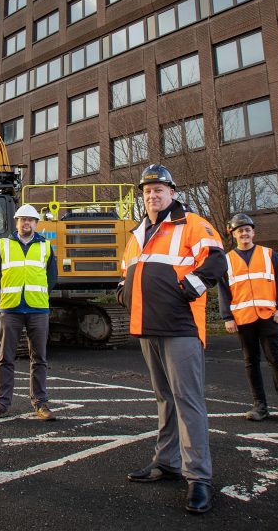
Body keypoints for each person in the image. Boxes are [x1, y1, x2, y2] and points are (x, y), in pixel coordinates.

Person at [117, 164, 226, 514]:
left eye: (159, 189)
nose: (153, 194)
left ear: (173, 193)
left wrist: (189, 287)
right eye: (148, 191)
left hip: (181, 326)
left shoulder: (192, 223)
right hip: (147, 326)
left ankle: (199, 478)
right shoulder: (137, 233)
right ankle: (166, 462)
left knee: (187, 400)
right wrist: (123, 292)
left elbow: (216, 261)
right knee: (164, 398)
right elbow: (126, 271)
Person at [218, 213, 278, 425]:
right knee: (251, 362)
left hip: (268, 316)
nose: (244, 234)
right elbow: (224, 291)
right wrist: (227, 316)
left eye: (247, 230)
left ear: (253, 232)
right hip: (243, 318)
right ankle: (260, 406)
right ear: (234, 235)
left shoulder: (269, 254)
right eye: (240, 231)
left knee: (276, 361)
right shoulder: (227, 260)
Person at [0, 204, 59, 423]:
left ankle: (41, 404)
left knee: (40, 359)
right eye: (23, 219)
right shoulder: (4, 245)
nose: (27, 223)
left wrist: (40, 296)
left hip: (38, 308)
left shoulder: (46, 246)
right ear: (17, 222)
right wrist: (5, 298)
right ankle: (1, 404)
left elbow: (51, 277)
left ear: (36, 223)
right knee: (5, 358)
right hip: (11, 308)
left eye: (31, 220)